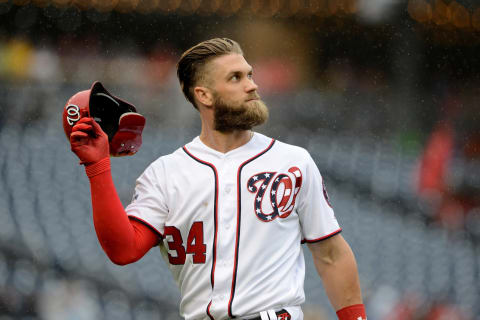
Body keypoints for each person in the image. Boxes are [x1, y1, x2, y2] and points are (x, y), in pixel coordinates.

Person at [69, 38, 366, 320]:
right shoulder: (165, 174)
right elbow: (123, 250)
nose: (252, 85)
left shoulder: (293, 162)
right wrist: (98, 168)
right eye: (236, 78)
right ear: (204, 95)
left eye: (249, 74)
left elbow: (331, 255)